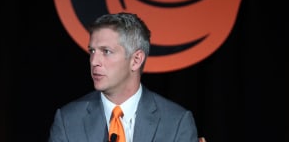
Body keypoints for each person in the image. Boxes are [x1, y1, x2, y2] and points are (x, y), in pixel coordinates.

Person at [48, 12, 199, 142]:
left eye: (106, 51)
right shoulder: (68, 120)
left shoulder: (176, 122)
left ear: (136, 60)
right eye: (92, 51)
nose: (94, 62)